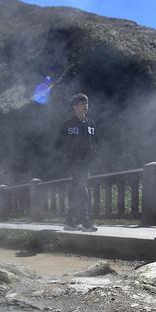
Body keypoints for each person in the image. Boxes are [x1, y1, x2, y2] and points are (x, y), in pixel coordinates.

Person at [56, 92, 97, 231]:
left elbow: (95, 142)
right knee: (83, 191)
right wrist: (68, 158)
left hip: (86, 163)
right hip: (74, 163)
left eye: (86, 103)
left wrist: (93, 155)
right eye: (81, 104)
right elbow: (59, 144)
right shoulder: (68, 125)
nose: (85, 106)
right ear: (75, 107)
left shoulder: (91, 124)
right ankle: (85, 223)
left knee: (75, 191)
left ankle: (69, 221)